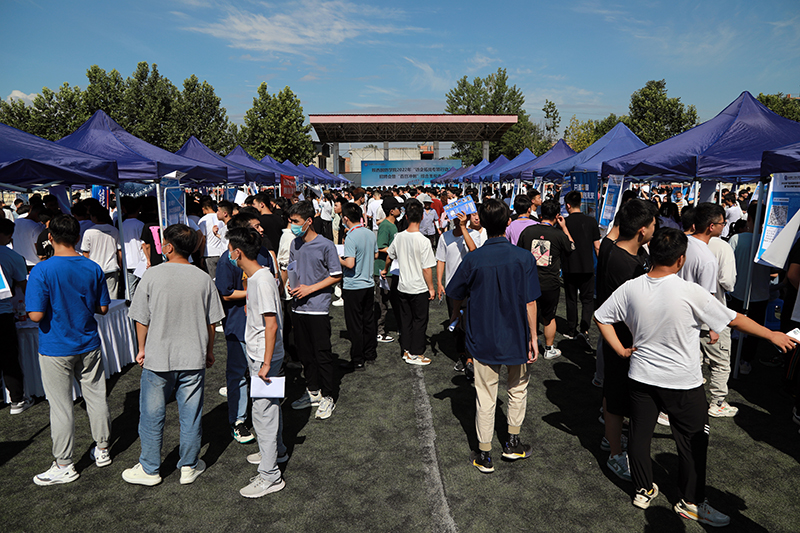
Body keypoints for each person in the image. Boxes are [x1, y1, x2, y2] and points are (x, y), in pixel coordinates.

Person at [594, 227, 795, 526]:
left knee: (639, 435)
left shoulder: (631, 287)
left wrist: (621, 350)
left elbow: (601, 317)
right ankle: (690, 502)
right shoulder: (690, 291)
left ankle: (642, 489)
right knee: (692, 442)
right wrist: (771, 334)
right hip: (682, 383)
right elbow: (734, 319)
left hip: (641, 376)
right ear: (681, 259)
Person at [123, 224, 225, 487]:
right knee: (191, 415)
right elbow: (211, 322)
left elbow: (141, 318)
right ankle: (188, 465)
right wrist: (209, 351)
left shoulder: (152, 275)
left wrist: (141, 348)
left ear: (168, 247)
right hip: (193, 355)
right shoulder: (203, 278)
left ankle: (150, 468)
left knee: (151, 414)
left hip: (158, 356)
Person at [446, 199, 540, 473]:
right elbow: (530, 302)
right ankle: (512, 443)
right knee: (517, 389)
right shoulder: (523, 257)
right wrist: (533, 337)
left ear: (483, 225)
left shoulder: (474, 258)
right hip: (516, 335)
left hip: (483, 336)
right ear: (508, 223)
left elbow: (455, 292)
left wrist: (456, 314)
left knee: (486, 396)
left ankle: (485, 453)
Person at [26, 214, 112, 485]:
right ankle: (102, 448)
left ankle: (64, 463)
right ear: (78, 237)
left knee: (61, 406)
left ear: (50, 238)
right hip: (88, 343)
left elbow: (35, 315)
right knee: (96, 397)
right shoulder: (92, 267)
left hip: (56, 347)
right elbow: (103, 308)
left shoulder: (42, 270)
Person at [596, 199, 658, 481]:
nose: (656, 229)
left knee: (616, 394)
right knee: (616, 396)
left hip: (623, 339)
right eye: (653, 224)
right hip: (622, 340)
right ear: (642, 230)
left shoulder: (614, 247)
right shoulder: (624, 264)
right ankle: (615, 453)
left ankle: (611, 438)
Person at [227, 227, 288, 498]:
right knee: (268, 408)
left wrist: (265, 363)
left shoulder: (261, 281)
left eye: (230, 250)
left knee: (263, 413)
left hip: (265, 357)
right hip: (264, 355)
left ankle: (270, 474)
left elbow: (271, 325)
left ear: (238, 252)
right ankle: (276, 451)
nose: (229, 255)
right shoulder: (258, 277)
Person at [215, 214, 276, 444]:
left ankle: (270, 427)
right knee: (238, 374)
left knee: (263, 376)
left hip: (262, 330)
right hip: (239, 326)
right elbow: (225, 292)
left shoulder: (264, 255)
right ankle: (239, 420)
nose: (261, 229)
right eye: (255, 226)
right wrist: (252, 292)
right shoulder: (228, 259)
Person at [679, 203, 739, 417]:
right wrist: (714, 325)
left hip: (684, 315)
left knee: (692, 362)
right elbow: (725, 284)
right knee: (720, 362)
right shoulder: (716, 251)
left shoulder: (682, 243)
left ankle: (685, 401)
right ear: (711, 226)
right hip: (708, 317)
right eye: (723, 223)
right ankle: (718, 402)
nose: (725, 226)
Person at [286, 201, 342, 420]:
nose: (292, 225)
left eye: (296, 221)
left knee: (322, 354)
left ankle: (328, 395)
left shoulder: (326, 245)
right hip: (298, 307)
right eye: (291, 221)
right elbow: (292, 269)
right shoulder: (294, 244)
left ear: (309, 221)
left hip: (318, 308)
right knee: (305, 354)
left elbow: (336, 275)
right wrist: (290, 285)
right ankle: (313, 391)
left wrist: (310, 289)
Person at [517, 199, 575, 360]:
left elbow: (519, 252)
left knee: (528, 314)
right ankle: (549, 349)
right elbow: (572, 247)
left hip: (529, 280)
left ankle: (527, 345)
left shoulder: (528, 231)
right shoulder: (558, 234)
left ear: (541, 214)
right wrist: (564, 227)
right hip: (550, 282)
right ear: (557, 216)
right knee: (549, 317)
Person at [382, 199, 436, 366]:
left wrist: (385, 269)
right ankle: (416, 353)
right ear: (421, 217)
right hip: (419, 288)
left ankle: (406, 349)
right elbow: (427, 269)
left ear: (406, 217)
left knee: (406, 320)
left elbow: (389, 256)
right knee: (420, 321)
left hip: (403, 286)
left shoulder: (399, 237)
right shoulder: (424, 241)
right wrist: (431, 288)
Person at [728, 203, 772, 375]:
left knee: (732, 326)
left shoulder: (737, 239)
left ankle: (730, 358)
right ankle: (746, 361)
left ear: (750, 219)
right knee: (755, 330)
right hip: (759, 294)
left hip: (737, 291)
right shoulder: (769, 243)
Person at [436, 210, 480, 378]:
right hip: (452, 288)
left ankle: (470, 358)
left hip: (471, 287)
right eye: (455, 217)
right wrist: (439, 283)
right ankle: (462, 355)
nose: (458, 220)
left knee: (469, 324)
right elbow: (441, 260)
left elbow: (473, 250)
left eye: (461, 216)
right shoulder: (445, 236)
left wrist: (463, 228)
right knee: (455, 323)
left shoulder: (474, 234)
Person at [339, 202, 378, 371]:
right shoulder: (369, 233)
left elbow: (349, 263)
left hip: (353, 285)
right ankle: (370, 353)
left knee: (355, 324)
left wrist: (337, 258)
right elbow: (375, 254)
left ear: (346, 218)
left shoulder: (351, 236)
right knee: (368, 320)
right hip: (368, 283)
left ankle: (358, 359)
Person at [0, 219, 32, 415]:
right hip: (3, 313)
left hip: (5, 311)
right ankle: (17, 400)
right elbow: (23, 285)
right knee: (9, 357)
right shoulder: (12, 256)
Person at [562, 191, 600, 347]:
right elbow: (597, 246)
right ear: (580, 203)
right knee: (587, 300)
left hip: (569, 266)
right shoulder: (591, 221)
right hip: (587, 266)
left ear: (568, 205)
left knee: (571, 299)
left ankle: (572, 329)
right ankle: (585, 330)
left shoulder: (563, 222)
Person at [374, 196, 401, 344]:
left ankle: (398, 326)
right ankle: (379, 332)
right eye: (398, 208)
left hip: (392, 269)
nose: (400, 210)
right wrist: (397, 251)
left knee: (394, 299)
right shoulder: (385, 225)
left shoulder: (393, 224)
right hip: (383, 270)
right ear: (391, 211)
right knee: (382, 302)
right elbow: (381, 246)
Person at [82, 204, 122, 298]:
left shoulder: (88, 232)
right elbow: (119, 250)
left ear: (94, 217)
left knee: (96, 296)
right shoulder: (114, 230)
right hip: (111, 267)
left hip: (94, 269)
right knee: (112, 297)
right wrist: (120, 264)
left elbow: (85, 253)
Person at [198, 198, 225, 279]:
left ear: (203, 208)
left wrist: (201, 256)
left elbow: (203, 239)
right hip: (222, 252)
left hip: (209, 254)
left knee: (212, 279)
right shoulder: (221, 217)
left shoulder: (203, 220)